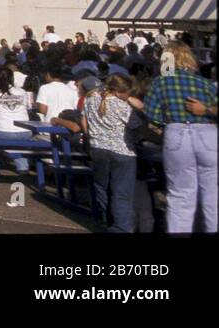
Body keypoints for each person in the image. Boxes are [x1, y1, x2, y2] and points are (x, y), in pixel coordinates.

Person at [143, 41, 217, 233]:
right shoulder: (204, 82)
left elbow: (152, 114)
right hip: (208, 133)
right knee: (212, 194)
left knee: (180, 194)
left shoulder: (160, 82)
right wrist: (206, 110)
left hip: (177, 134)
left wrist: (162, 123)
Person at [83, 74, 142, 233]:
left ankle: (106, 220)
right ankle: (120, 227)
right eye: (127, 93)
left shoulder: (90, 99)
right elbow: (137, 126)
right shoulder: (122, 106)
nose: (129, 95)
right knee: (121, 191)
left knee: (102, 187)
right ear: (117, 91)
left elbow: (86, 121)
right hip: (122, 151)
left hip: (98, 148)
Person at [0, 67, 35, 172]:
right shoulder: (22, 92)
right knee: (17, 141)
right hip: (25, 132)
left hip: (2, 132)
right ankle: (22, 165)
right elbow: (29, 107)